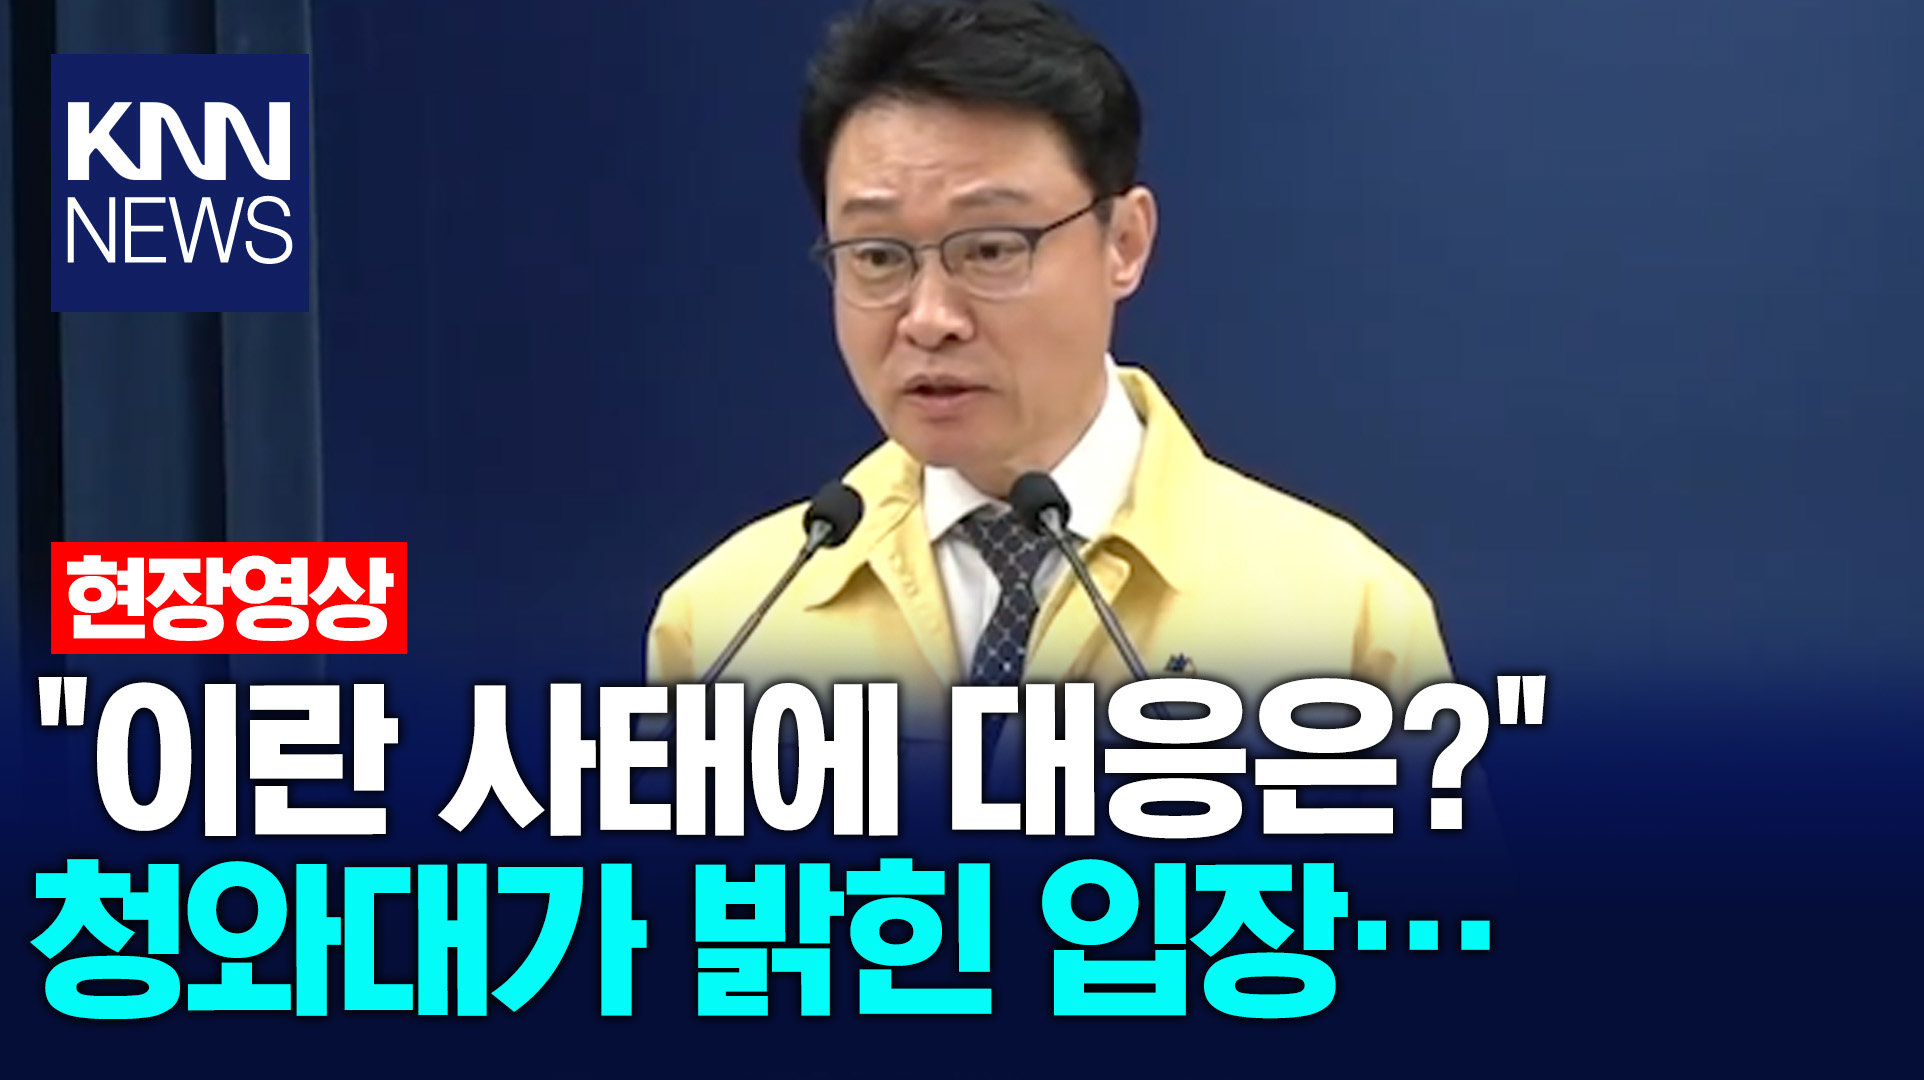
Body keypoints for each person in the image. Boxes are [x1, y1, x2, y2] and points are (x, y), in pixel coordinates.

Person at [647, 0, 1452, 747]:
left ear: (1124, 243)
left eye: (991, 248)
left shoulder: (1341, 618)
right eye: (879, 257)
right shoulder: (725, 626)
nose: (929, 317)